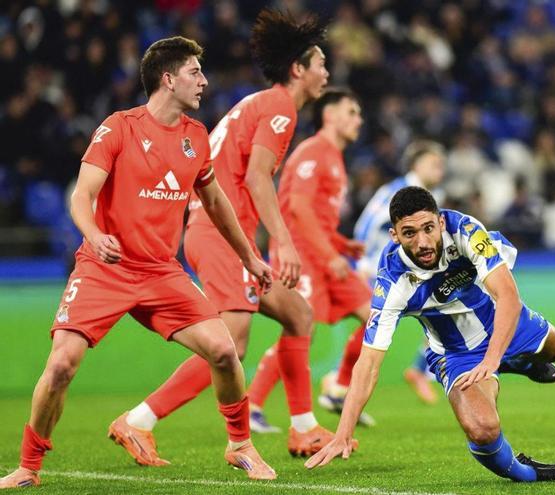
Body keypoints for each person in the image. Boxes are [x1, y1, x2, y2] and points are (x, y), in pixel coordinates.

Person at [0, 36, 277, 489]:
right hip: (103, 268)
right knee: (61, 365)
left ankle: (240, 445)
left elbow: (215, 202)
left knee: (225, 351)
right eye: (194, 72)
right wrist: (94, 235)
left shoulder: (196, 137)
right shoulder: (119, 128)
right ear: (168, 79)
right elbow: (81, 196)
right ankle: (29, 467)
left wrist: (250, 256)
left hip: (161, 273)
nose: (204, 81)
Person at [107, 9, 343, 462]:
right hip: (220, 235)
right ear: (298, 70)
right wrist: (285, 243)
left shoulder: (260, 103)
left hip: (223, 235)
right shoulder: (279, 107)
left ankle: (304, 427)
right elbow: (257, 178)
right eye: (320, 64)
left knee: (298, 315)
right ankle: (138, 420)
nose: (326, 73)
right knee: (230, 344)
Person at [305, 186, 555, 483]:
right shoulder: (393, 282)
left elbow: (508, 296)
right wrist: (343, 433)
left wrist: (492, 360)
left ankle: (519, 363)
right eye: (409, 233)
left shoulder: (465, 231)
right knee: (482, 429)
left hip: (500, 319)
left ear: (441, 222)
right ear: (394, 236)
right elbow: (369, 363)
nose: (423, 242)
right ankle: (530, 472)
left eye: (429, 228)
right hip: (455, 352)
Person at [246, 87, 376, 430]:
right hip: (302, 255)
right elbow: (299, 210)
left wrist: (340, 244)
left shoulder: (334, 156)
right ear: (329, 115)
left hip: (325, 252)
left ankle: (339, 386)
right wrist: (329, 252)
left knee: (374, 316)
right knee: (300, 327)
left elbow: (317, 215)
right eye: (352, 112)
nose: (358, 120)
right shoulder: (313, 151)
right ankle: (252, 406)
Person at [352, 140, 447, 404]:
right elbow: (366, 224)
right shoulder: (396, 191)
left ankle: (419, 370)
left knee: (446, 310)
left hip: (412, 270)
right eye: (434, 164)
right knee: (372, 326)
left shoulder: (431, 196)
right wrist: (360, 264)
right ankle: (338, 378)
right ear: (417, 165)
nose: (440, 170)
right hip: (381, 270)